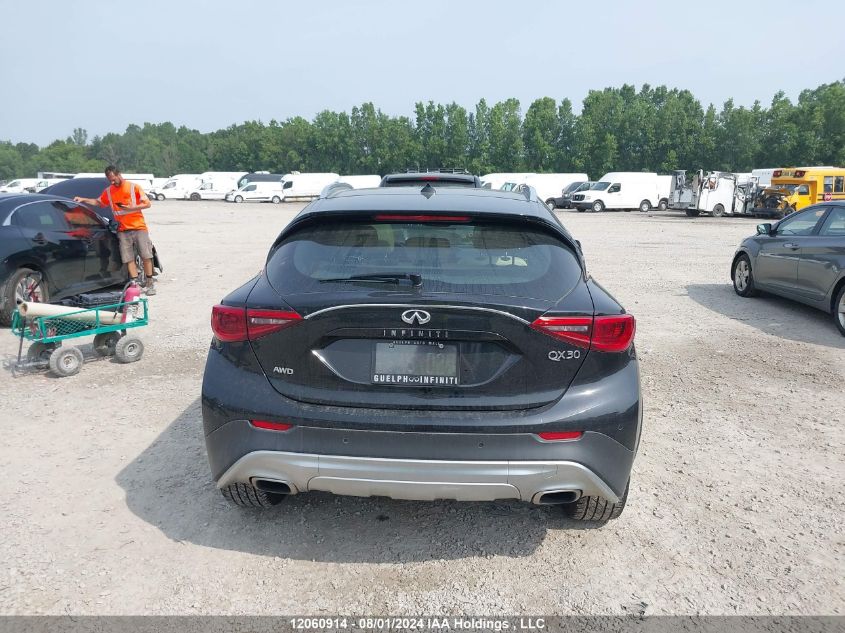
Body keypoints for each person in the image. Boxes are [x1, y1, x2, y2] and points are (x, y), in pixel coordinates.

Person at [74, 165, 157, 295]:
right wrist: (83, 199)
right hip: (122, 229)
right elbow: (99, 202)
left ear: (119, 174)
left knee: (146, 255)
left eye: (114, 179)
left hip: (138, 227)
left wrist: (131, 208)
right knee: (128, 258)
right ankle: (135, 284)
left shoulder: (133, 187)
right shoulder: (109, 191)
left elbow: (147, 204)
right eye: (110, 180)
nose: (112, 182)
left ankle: (150, 283)